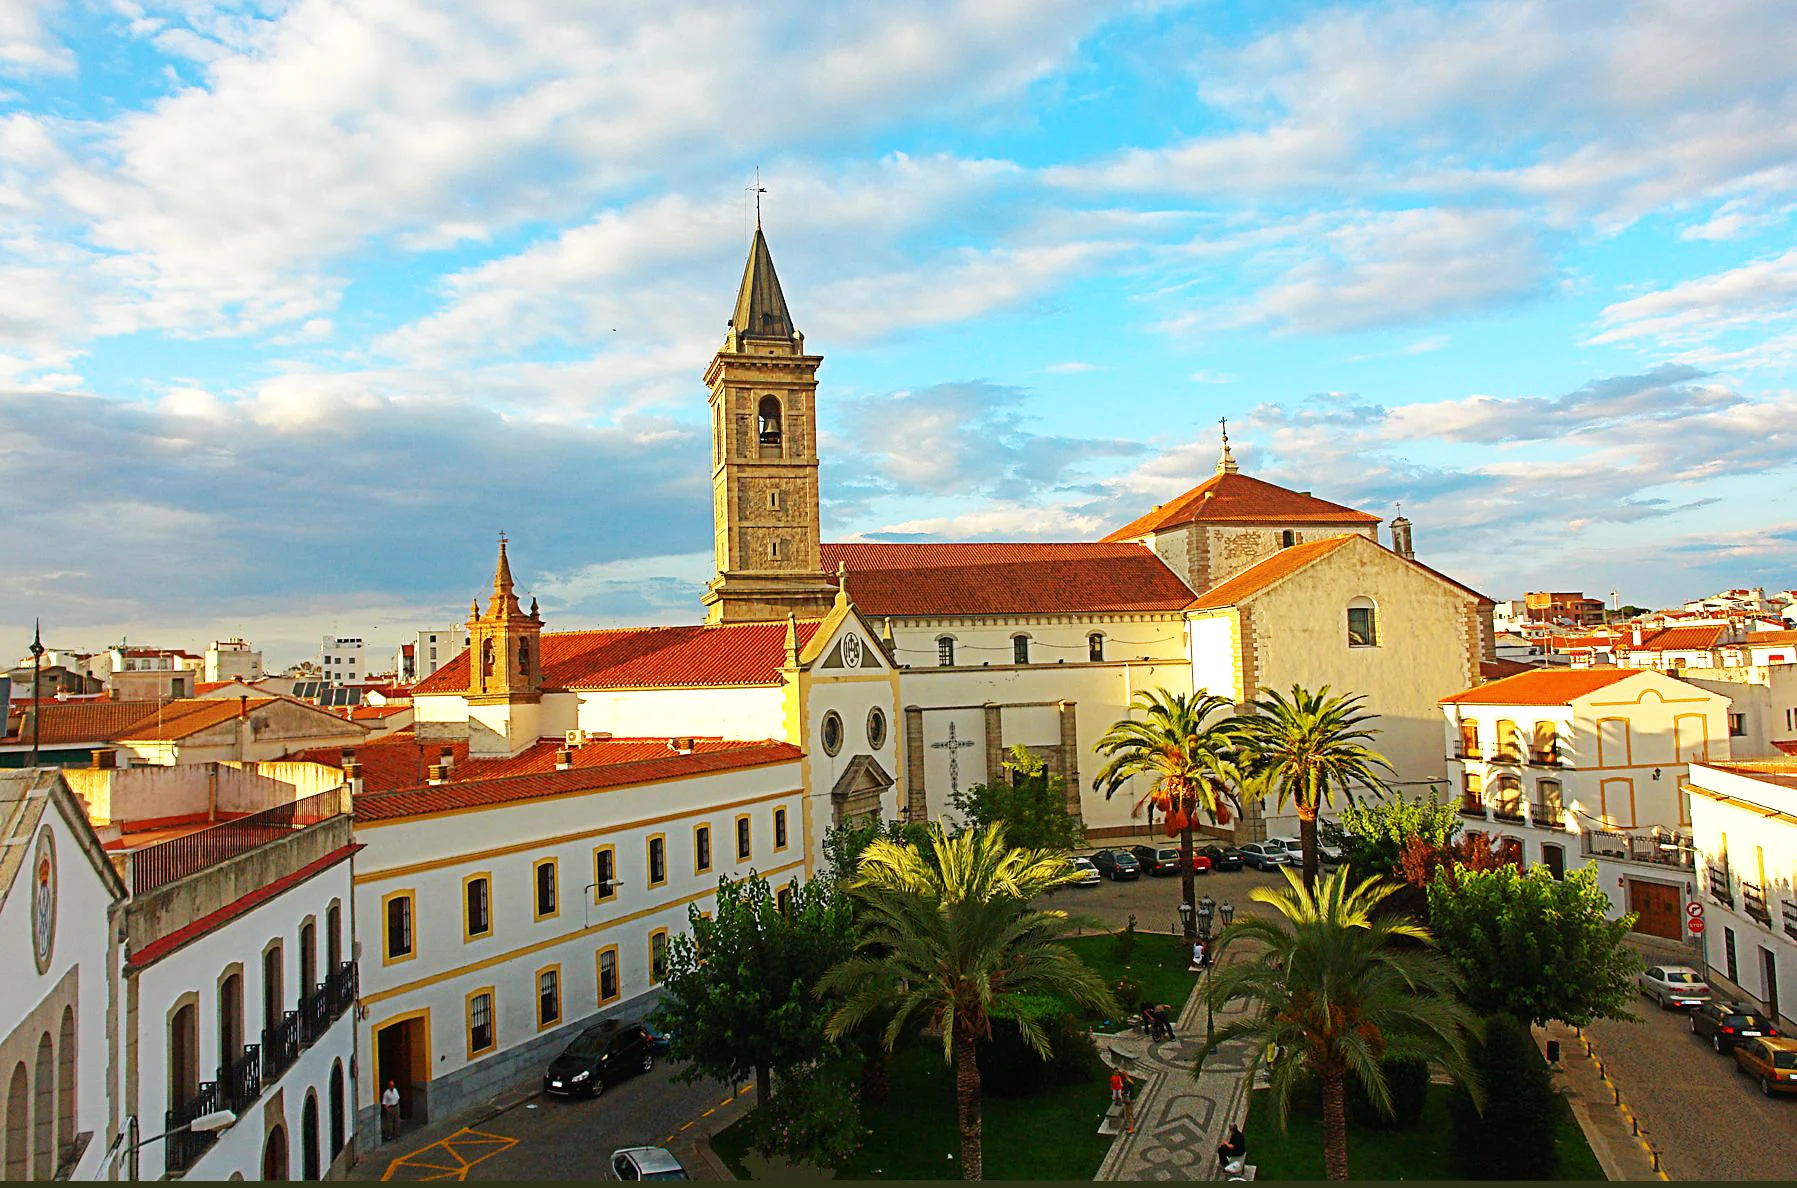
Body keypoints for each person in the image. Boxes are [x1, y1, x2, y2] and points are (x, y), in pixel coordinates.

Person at [1110, 1066, 1137, 1134]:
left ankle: (1131, 1128)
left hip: (1129, 1100)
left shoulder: (1126, 1082)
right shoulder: (1130, 1081)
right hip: (1132, 1099)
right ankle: (1130, 1127)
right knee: (1129, 1113)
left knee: (1129, 1114)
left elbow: (1126, 1092)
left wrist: (1122, 1094)